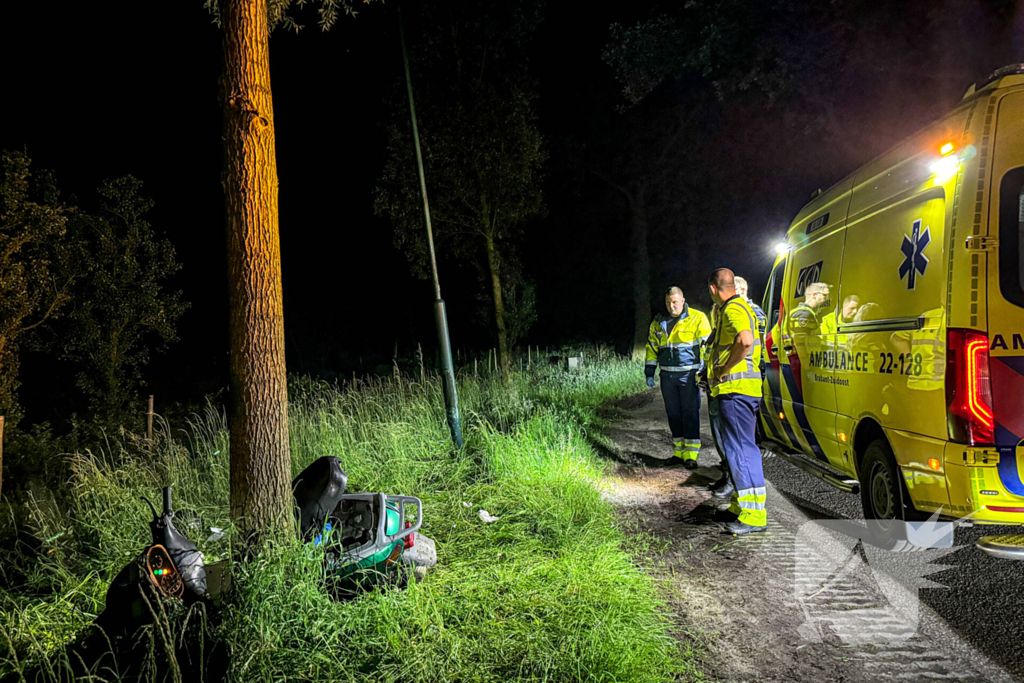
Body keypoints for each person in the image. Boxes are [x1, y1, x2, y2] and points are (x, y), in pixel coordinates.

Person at [708, 268, 767, 534]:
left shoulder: (732, 309)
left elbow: (745, 341)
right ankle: (739, 506)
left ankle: (753, 517)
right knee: (738, 450)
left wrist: (723, 369)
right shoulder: (739, 307)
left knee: (741, 450)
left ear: (713, 289)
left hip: (736, 390)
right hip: (743, 390)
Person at [645, 286, 712, 469]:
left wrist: (704, 370)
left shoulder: (697, 318)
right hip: (667, 375)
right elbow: (651, 349)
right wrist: (649, 372)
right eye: (668, 302)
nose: (671, 306)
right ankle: (678, 451)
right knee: (673, 413)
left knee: (690, 412)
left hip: (688, 374)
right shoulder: (658, 322)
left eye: (674, 302)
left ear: (682, 301)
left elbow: (707, 346)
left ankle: (691, 454)